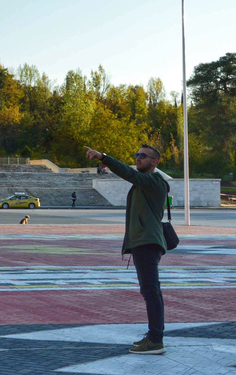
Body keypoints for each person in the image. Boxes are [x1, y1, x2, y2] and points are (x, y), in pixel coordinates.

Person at [85, 144, 169, 355]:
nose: (138, 158)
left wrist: (104, 157)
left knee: (151, 291)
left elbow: (129, 173)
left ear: (154, 162)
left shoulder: (154, 181)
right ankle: (153, 336)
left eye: (143, 156)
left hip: (147, 243)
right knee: (149, 291)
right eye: (137, 155)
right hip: (143, 242)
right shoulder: (144, 183)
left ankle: (156, 340)